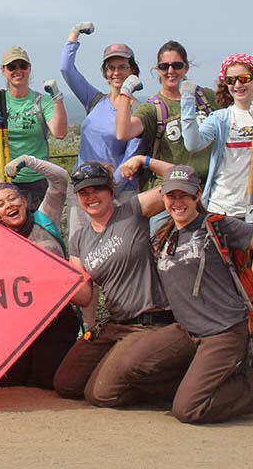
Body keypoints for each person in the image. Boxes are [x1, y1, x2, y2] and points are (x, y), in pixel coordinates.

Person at [150, 164, 253, 423]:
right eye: (172, 196)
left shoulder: (218, 227)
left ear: (198, 195)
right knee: (140, 369)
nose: (178, 202)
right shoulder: (164, 234)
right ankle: (222, 380)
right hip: (189, 333)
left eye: (185, 195)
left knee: (188, 409)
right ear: (162, 195)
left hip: (225, 331)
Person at [52, 158, 190, 407]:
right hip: (115, 326)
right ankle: (130, 369)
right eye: (84, 192)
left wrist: (144, 160)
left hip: (150, 323)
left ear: (111, 190)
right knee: (67, 383)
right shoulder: (79, 240)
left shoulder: (132, 210)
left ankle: (183, 381)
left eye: (97, 189)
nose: (90, 197)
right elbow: (83, 296)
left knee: (101, 394)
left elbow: (181, 177)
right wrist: (49, 276)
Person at [0, 155, 81, 389]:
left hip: (57, 318)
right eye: (1, 204)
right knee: (11, 381)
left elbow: (60, 180)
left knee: (47, 381)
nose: (9, 205)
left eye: (13, 198)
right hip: (21, 323)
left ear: (24, 201)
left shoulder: (45, 218)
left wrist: (27, 161)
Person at [56, 23, 143, 239]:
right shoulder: (94, 100)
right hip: (82, 187)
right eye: (111, 68)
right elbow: (67, 69)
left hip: (118, 193)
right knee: (79, 246)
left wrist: (106, 190)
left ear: (132, 70)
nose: (116, 73)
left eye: (122, 67)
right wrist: (75, 34)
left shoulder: (140, 110)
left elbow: (131, 159)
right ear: (105, 72)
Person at [114, 40, 220, 191]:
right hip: (173, 187)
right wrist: (125, 92)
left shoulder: (206, 98)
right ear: (158, 69)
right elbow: (123, 133)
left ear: (186, 67)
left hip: (212, 186)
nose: (170, 71)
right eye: (164, 66)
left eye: (176, 65)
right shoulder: (153, 108)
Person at [180, 53, 253, 219]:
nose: (237, 84)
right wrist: (187, 101)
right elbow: (192, 144)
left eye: (244, 78)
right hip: (222, 208)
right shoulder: (221, 118)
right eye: (231, 80)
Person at [0, 46, 68, 211]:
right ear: (3, 70)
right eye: (12, 67)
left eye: (22, 66)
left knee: (35, 234)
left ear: (29, 68)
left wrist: (57, 98)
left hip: (34, 182)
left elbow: (59, 132)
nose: (18, 71)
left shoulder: (42, 101)